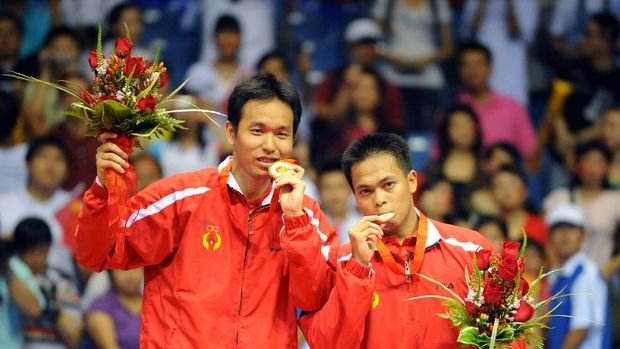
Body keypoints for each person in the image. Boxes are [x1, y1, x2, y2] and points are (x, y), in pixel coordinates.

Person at [74, 73, 337, 347]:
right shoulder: (180, 198)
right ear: (231, 133)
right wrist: (105, 188)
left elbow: (316, 297)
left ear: (293, 141)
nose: (270, 146)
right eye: (257, 131)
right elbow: (99, 253)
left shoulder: (304, 214)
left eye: (281, 134)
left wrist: (295, 223)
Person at [299, 133, 497, 348]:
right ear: (355, 197)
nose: (379, 199)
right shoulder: (340, 263)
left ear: (411, 181)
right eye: (366, 191)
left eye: (388, 185)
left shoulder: (470, 249)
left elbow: (508, 335)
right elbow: (328, 344)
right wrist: (358, 268)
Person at [546, 203, 610, 349]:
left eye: (571, 229)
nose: (565, 235)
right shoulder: (556, 274)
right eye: (559, 229)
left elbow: (580, 329)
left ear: (582, 236)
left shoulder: (586, 273)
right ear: (550, 237)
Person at [12, 217, 83, 349]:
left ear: (49, 248)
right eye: (29, 252)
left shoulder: (62, 282)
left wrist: (52, 307)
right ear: (18, 251)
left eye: (41, 251)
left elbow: (73, 340)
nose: (35, 258)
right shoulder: (10, 278)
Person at [457, 41, 536, 158]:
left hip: (505, 173)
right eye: (466, 65)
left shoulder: (512, 107)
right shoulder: (452, 108)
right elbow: (437, 154)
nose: (472, 71)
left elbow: (531, 152)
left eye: (478, 64)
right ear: (460, 71)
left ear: (490, 68)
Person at [85, 268, 143, 349]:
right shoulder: (101, 306)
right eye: (123, 270)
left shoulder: (152, 304)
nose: (130, 276)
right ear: (112, 273)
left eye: (135, 269)